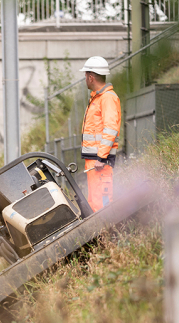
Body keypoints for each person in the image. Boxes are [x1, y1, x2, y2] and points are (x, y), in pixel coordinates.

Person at [80, 56, 122, 211]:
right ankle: (100, 234)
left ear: (91, 77)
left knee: (102, 205)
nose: (85, 79)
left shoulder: (107, 98)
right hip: (95, 161)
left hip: (100, 162)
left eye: (85, 76)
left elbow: (110, 129)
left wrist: (101, 157)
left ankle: (107, 234)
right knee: (95, 203)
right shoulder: (97, 98)